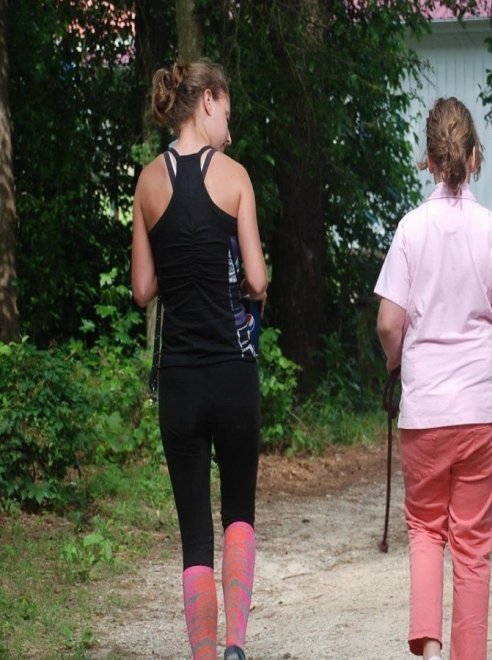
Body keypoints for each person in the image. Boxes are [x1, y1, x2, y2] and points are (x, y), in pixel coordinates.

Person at [375, 97, 492, 660]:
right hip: (479, 415)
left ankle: (428, 652)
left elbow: (387, 321)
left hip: (425, 414)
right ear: (475, 157)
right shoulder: (490, 230)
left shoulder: (409, 230)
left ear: (428, 159)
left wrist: (395, 361)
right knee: (472, 545)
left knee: (426, 530)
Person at [131, 61, 267, 660]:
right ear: (207, 101)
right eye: (228, 115)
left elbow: (142, 290)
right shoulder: (235, 178)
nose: (230, 131)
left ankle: (205, 655)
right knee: (237, 509)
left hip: (179, 382)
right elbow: (257, 279)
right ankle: (237, 643)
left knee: (193, 533)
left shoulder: (147, 183)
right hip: (233, 375)